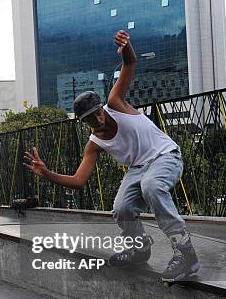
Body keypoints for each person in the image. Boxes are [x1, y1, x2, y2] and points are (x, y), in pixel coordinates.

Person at [24, 30, 199, 282]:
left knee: (152, 186)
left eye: (98, 114)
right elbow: (78, 180)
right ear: (83, 123)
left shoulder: (115, 103)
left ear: (102, 109)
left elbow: (130, 63)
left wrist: (126, 46)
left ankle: (185, 251)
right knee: (122, 208)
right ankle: (139, 249)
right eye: (90, 120)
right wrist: (46, 173)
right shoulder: (93, 144)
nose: (98, 121)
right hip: (138, 168)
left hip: (165, 156)